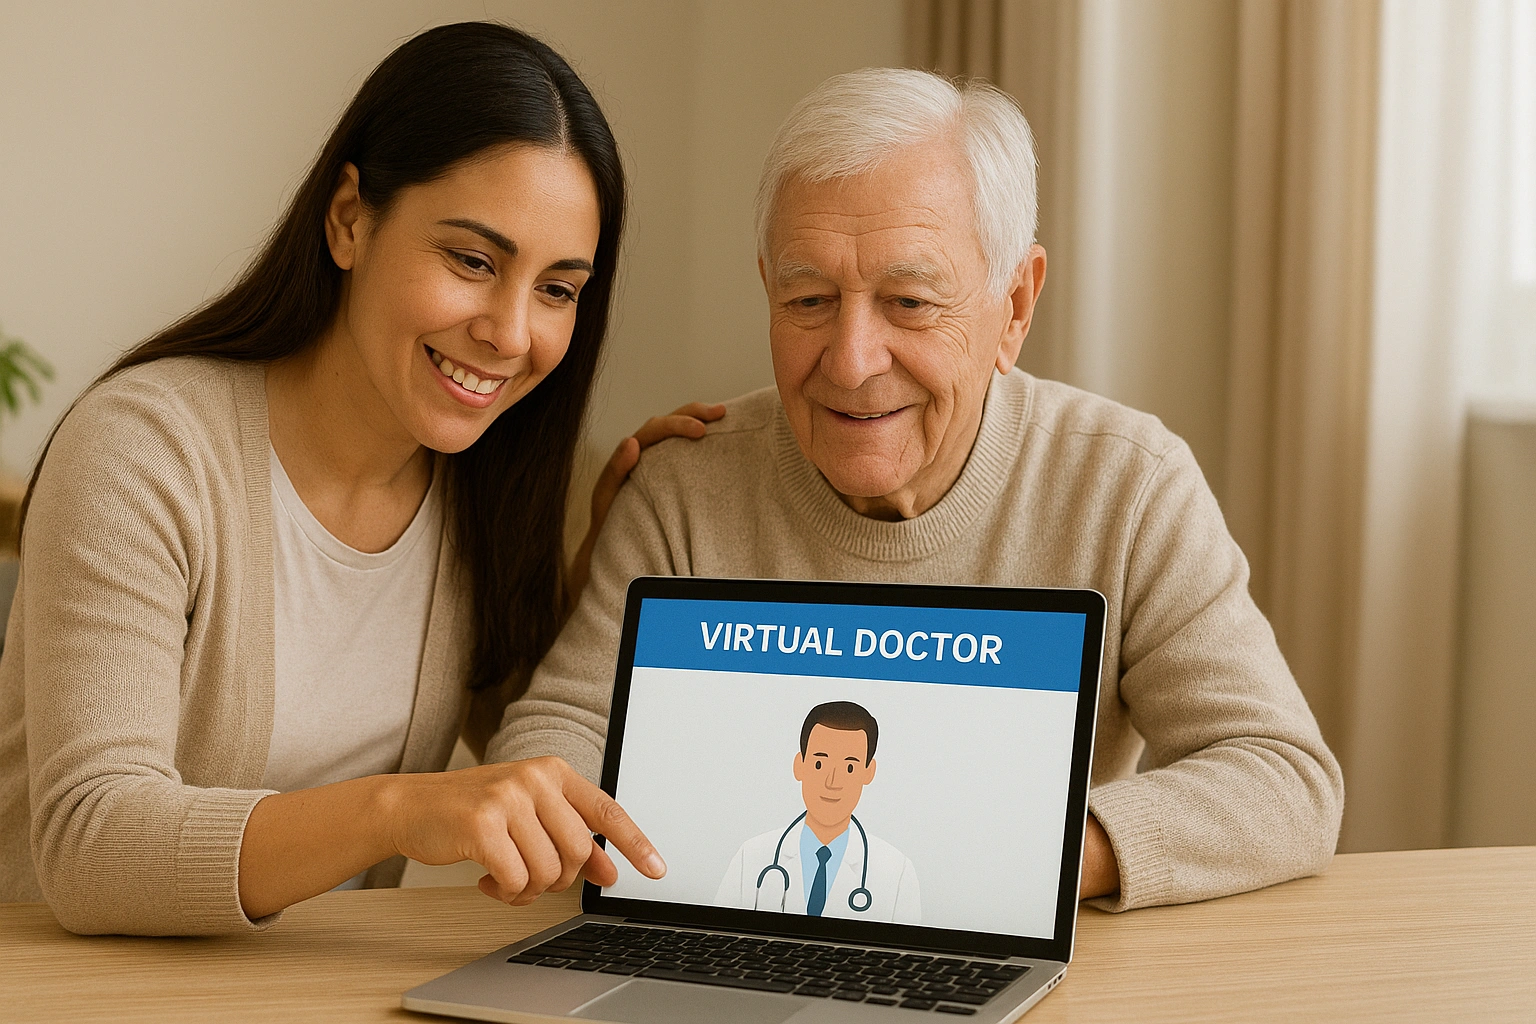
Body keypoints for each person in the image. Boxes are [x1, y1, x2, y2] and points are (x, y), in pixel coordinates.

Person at [487, 68, 1345, 913]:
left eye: (909, 301)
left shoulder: (1125, 486)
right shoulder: (683, 486)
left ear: (1014, 305)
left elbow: (1283, 777)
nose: (853, 360)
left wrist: (1034, 856)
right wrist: (565, 816)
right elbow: (553, 736)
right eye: (809, 298)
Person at [0, 22, 719, 936]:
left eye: (557, 289)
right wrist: (401, 809)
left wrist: (611, 577)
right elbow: (91, 841)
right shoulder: (145, 451)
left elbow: (539, 767)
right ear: (349, 219)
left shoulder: (479, 488)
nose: (509, 332)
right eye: (472, 260)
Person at [716, 701, 920, 924]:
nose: (832, 782)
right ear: (799, 765)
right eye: (819, 764)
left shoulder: (897, 872)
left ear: (868, 772)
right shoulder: (752, 856)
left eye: (849, 768)